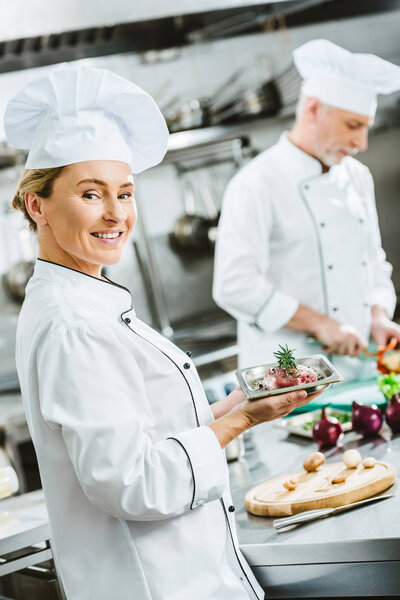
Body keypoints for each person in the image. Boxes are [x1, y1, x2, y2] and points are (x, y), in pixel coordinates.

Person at [5, 65, 317, 600]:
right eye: (90, 194)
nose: (115, 213)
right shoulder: (74, 324)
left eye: (125, 193)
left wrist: (235, 406)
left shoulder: (82, 299)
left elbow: (140, 436)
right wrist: (240, 420)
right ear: (38, 205)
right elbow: (133, 482)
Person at [213, 39, 400, 381]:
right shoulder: (255, 183)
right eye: (353, 126)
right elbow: (233, 285)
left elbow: (373, 262)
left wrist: (377, 314)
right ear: (313, 109)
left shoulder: (358, 176)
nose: (362, 144)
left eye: (366, 128)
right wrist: (320, 325)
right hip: (287, 380)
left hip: (360, 372)